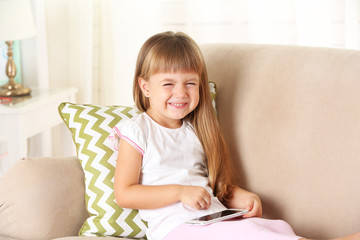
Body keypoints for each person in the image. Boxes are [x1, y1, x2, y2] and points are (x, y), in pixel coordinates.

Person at [109, 31, 360, 240]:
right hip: (177, 230)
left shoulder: (196, 131)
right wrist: (179, 192)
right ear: (145, 87)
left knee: (274, 228)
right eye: (168, 84)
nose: (181, 93)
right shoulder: (137, 130)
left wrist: (243, 197)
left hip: (211, 220)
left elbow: (217, 189)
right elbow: (125, 194)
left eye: (190, 83)